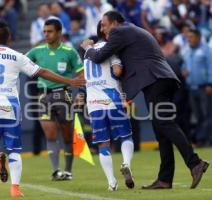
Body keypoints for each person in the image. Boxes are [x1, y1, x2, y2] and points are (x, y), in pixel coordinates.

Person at [0, 21, 85, 197]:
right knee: (14, 150)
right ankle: (15, 189)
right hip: (12, 108)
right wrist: (70, 81)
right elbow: (42, 72)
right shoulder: (17, 56)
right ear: (9, 39)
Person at [81, 11, 209, 189]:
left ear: (115, 23)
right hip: (161, 79)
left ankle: (194, 162)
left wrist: (87, 47)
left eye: (103, 25)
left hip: (155, 80)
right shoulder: (133, 30)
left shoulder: (119, 32)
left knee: (165, 124)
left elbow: (99, 57)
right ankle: (165, 179)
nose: (102, 29)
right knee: (160, 129)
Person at [26, 18, 83, 181]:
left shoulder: (69, 52)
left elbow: (82, 73)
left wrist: (81, 93)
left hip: (62, 95)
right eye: (44, 31)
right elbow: (22, 63)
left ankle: (68, 170)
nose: (46, 34)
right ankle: (56, 170)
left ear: (59, 33)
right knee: (50, 135)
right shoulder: (37, 51)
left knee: (67, 136)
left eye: (49, 31)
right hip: (43, 96)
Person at [84, 20, 134, 191]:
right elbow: (118, 71)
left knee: (103, 144)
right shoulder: (110, 49)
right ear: (105, 32)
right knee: (125, 136)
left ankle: (111, 182)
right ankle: (126, 163)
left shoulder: (86, 54)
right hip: (112, 98)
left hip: (94, 103)